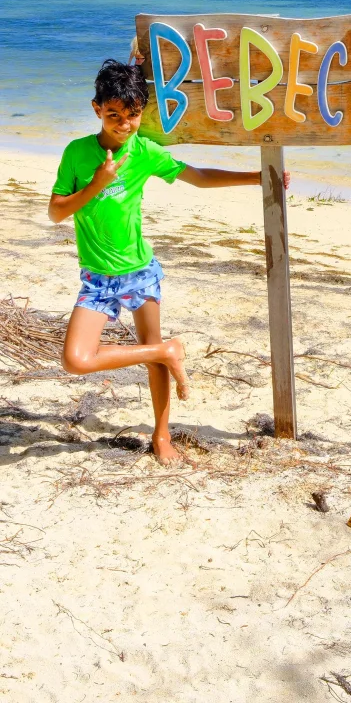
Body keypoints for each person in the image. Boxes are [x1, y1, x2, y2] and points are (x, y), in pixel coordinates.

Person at [48, 58, 289, 464]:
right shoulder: (77, 154)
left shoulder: (144, 151)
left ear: (141, 112)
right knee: (76, 359)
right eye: (113, 116)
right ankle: (167, 350)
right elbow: (56, 212)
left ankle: (161, 436)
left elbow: (195, 175)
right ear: (96, 109)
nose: (123, 124)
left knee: (152, 354)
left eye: (132, 115)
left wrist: (255, 177)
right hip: (96, 279)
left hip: (139, 272)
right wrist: (96, 183)